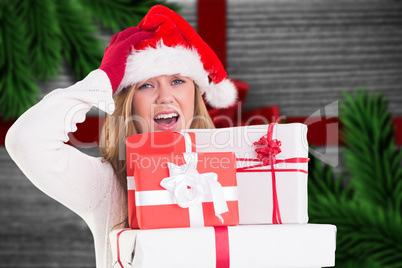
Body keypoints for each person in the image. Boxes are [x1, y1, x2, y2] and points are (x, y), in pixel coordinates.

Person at [5, 5, 237, 267]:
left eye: (178, 81)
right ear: (130, 104)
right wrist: (103, 81)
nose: (165, 97)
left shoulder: (231, 175)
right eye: (146, 85)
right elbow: (26, 140)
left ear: (195, 94)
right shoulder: (105, 185)